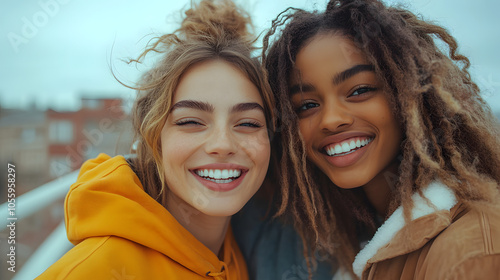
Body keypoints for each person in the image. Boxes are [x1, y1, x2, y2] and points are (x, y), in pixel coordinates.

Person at [36, 0, 275, 279]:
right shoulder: (94, 271)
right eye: (191, 121)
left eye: (248, 123)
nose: (222, 144)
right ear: (153, 139)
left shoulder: (237, 255)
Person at [262, 0, 500, 279]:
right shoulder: (351, 240)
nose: (330, 119)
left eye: (360, 90)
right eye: (306, 105)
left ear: (413, 94)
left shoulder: (471, 253)